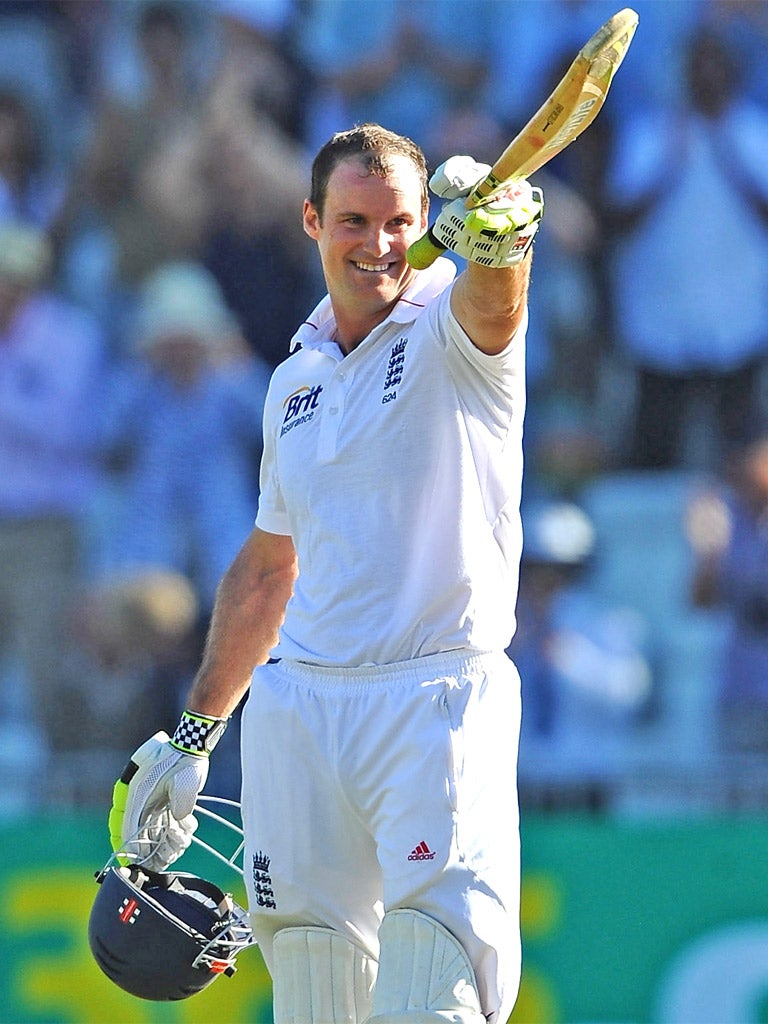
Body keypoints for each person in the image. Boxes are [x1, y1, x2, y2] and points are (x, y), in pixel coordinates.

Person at [108, 124, 544, 1023]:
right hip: (298, 714)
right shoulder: (291, 380)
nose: (379, 246)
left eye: (399, 223)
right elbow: (270, 567)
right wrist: (192, 740)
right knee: (312, 999)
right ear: (312, 222)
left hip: (434, 702)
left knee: (434, 994)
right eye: (353, 221)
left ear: (431, 224)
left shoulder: (450, 330)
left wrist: (501, 247)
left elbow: (497, 309)